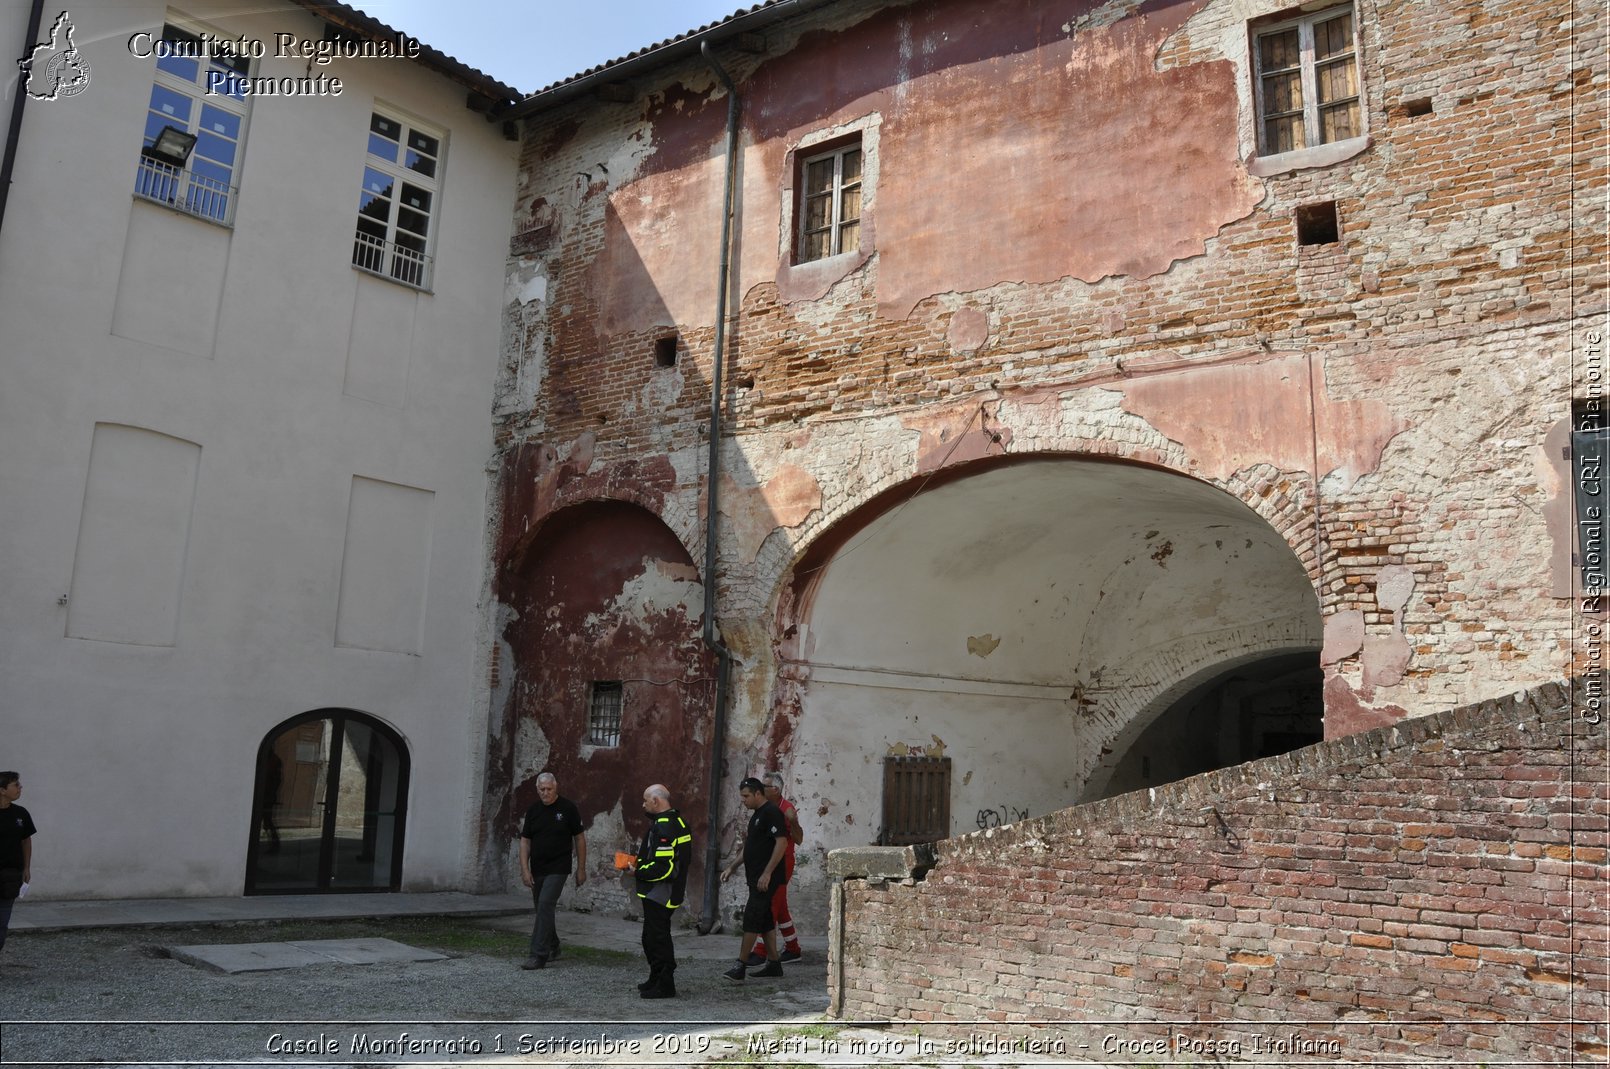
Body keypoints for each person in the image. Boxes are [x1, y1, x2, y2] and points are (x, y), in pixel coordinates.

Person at [725, 771, 805, 964]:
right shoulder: (762, 811)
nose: (760, 789)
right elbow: (751, 845)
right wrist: (733, 866)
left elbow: (796, 839)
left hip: (780, 865)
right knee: (780, 909)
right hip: (767, 866)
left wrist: (793, 820)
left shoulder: (784, 809)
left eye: (765, 786)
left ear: (775, 790)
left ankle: (761, 952)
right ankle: (792, 948)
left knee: (768, 908)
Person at [722, 777, 789, 982]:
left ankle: (740, 966)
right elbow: (750, 847)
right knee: (766, 920)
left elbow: (782, 843)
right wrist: (732, 867)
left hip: (766, 878)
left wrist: (768, 872)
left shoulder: (771, 813)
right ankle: (774, 964)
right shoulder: (757, 815)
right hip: (756, 877)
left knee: (751, 919)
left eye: (746, 796)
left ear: (758, 793)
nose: (743, 800)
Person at [517, 772, 586, 970]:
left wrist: (581, 868)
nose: (545, 793)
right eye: (542, 789)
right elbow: (525, 841)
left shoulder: (568, 808)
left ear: (556, 788)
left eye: (549, 789)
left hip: (559, 866)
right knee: (542, 908)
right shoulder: (533, 811)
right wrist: (524, 869)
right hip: (538, 867)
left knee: (546, 903)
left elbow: (579, 839)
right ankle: (553, 946)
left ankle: (538, 955)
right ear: (537, 789)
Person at [633, 783, 690, 999]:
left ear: (656, 801)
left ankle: (665, 984)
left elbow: (663, 867)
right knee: (650, 936)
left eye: (646, 800)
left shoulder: (664, 826)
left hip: (661, 892)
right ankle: (656, 977)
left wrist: (636, 870)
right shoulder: (676, 821)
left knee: (658, 938)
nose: (643, 804)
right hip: (666, 890)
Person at [0, 772, 36, 958]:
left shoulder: (20, 814)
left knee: (2, 923)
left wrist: (27, 868)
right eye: (15, 785)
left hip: (10, 875)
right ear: (2, 790)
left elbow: (26, 840)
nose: (20, 787)